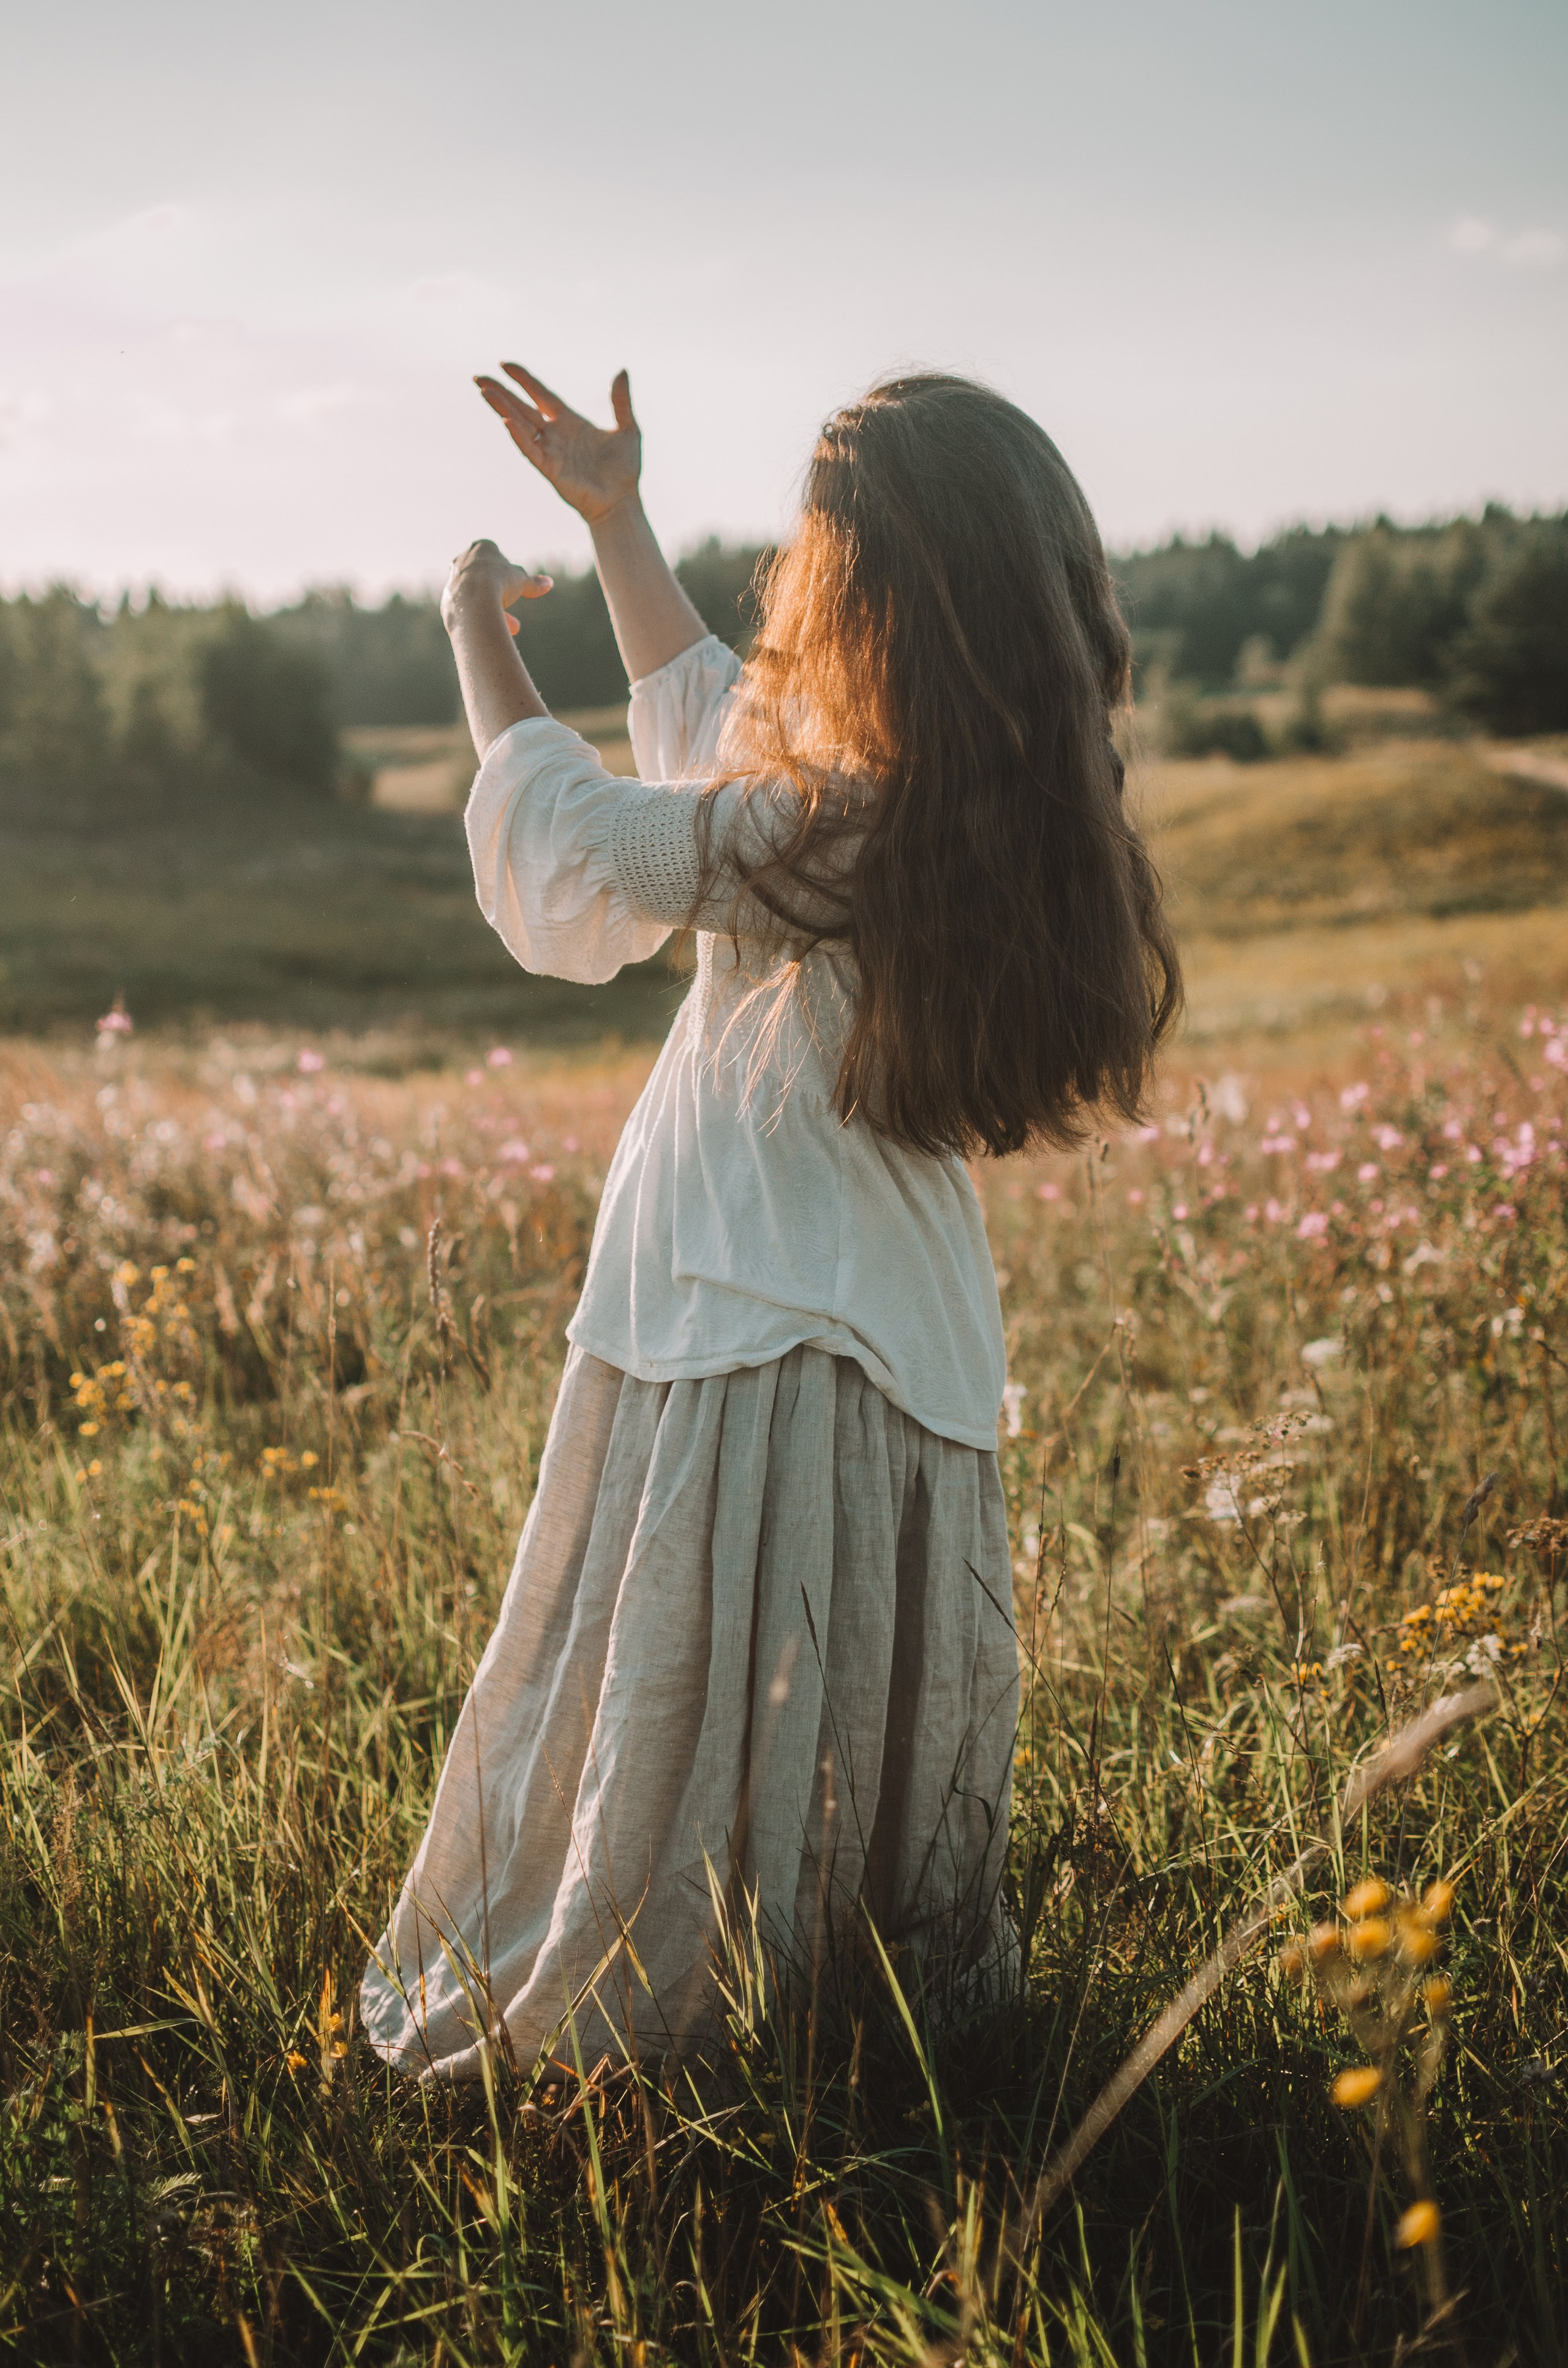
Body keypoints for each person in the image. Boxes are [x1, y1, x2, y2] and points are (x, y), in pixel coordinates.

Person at [360, 365, 1180, 2078]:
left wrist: (468, 619)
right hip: (888, 1304)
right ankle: (846, 2005)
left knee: (725, 1706)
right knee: (835, 1698)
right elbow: (712, 719)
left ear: (870, 591)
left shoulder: (834, 826)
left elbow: (580, 854)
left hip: (756, 1301)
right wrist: (615, 520)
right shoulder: (950, 797)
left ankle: (696, 2025)